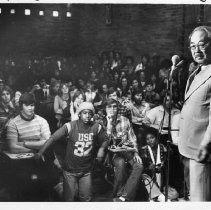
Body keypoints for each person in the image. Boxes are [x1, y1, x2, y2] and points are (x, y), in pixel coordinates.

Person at [34, 102, 109, 201]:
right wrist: (40, 152)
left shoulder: (96, 126)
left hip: (86, 171)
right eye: (84, 113)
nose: (87, 115)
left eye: (90, 113)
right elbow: (53, 138)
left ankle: (64, 188)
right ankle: (59, 187)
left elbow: (106, 139)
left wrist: (101, 149)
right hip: (70, 171)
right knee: (68, 200)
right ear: (79, 114)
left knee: (86, 199)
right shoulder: (70, 126)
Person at [178, 26, 211, 201]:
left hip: (201, 150)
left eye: (201, 44)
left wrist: (206, 146)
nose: (196, 50)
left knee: (201, 199)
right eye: (192, 46)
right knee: (193, 195)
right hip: (188, 147)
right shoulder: (197, 71)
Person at [104, 98, 143, 202]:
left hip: (125, 151)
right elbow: (105, 143)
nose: (112, 109)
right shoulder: (102, 121)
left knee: (139, 165)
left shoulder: (125, 120)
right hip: (111, 155)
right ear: (105, 109)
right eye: (109, 107)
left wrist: (136, 153)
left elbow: (133, 138)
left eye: (114, 106)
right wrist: (108, 124)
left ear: (117, 108)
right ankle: (117, 194)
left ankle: (124, 196)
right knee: (121, 164)